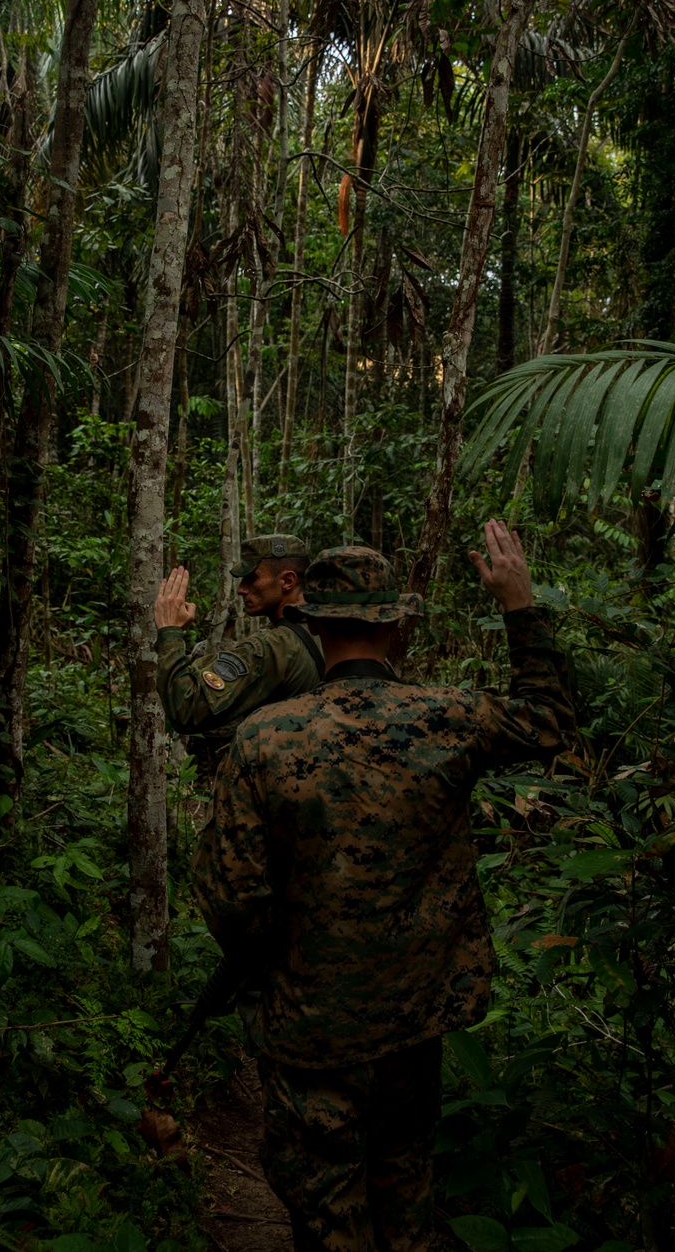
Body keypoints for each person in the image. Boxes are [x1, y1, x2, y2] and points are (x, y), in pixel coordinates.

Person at [192, 523, 575, 1252]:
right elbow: (550, 722)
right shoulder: (451, 717)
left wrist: (272, 972)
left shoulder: (266, 738)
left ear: (312, 622)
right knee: (404, 1184)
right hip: (416, 1018)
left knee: (325, 1204)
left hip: (311, 1024)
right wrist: (520, 607)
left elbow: (232, 897)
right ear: (397, 627)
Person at [153, 534, 324, 772]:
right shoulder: (332, 632)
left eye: (252, 578)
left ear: (287, 580)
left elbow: (186, 708)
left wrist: (169, 631)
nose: (242, 589)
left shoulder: (273, 647)